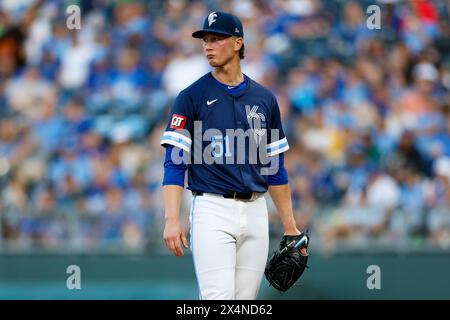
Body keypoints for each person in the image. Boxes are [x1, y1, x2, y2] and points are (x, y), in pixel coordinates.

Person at [160, 11, 307, 300]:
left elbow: (275, 167)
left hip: (256, 211)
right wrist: (171, 218)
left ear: (238, 43)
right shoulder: (191, 97)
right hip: (212, 209)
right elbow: (175, 162)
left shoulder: (264, 99)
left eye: (217, 39)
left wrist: (289, 225)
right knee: (219, 300)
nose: (208, 46)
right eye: (206, 40)